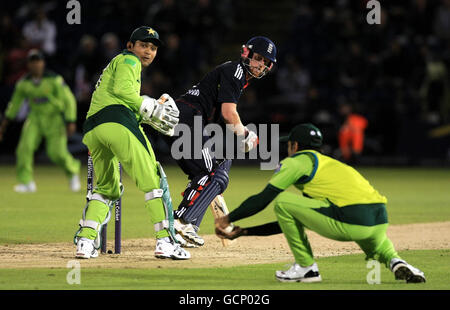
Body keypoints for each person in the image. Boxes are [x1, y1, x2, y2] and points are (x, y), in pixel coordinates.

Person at [215, 123, 426, 284]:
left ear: (294, 146)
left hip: (352, 219)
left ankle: (306, 267)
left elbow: (263, 199)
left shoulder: (296, 162)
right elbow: (296, 220)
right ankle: (396, 261)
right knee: (372, 237)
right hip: (379, 219)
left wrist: (228, 218)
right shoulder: (331, 165)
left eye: (289, 145)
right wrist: (245, 232)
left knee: (282, 201)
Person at [73, 26, 190, 260]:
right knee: (153, 180)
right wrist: (149, 105)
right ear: (130, 46)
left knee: (107, 188)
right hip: (118, 123)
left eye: (153, 48)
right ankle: (165, 242)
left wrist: (144, 112)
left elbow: (115, 95)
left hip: (94, 130)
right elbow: (122, 90)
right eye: (143, 45)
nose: (148, 51)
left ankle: (85, 242)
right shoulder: (129, 60)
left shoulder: (117, 64)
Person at [163, 36, 277, 247]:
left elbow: (223, 119)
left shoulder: (237, 77)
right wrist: (245, 134)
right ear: (247, 53)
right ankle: (180, 221)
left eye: (265, 61)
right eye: (258, 58)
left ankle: (188, 229)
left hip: (188, 120)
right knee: (213, 174)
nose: (260, 64)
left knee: (217, 168)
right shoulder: (236, 71)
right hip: (188, 118)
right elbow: (228, 113)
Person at [0, 49, 81, 193]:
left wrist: (70, 120)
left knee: (56, 153)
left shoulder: (54, 79)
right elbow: (15, 104)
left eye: (38, 61)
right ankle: (26, 182)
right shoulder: (24, 83)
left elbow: (68, 99)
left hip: (54, 119)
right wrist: (5, 122)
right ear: (28, 65)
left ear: (43, 63)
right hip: (35, 118)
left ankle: (72, 173)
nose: (35, 65)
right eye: (32, 62)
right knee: (24, 148)